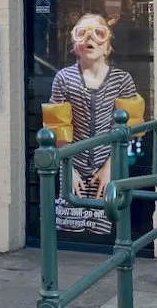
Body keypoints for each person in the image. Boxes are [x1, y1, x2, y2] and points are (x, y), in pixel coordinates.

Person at [49, 13, 138, 202]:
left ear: (107, 46)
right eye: (82, 33)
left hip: (110, 164)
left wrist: (109, 168)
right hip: (72, 165)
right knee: (70, 223)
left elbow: (128, 131)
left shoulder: (122, 80)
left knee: (110, 221)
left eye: (99, 33)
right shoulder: (63, 78)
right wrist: (68, 169)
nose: (91, 39)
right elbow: (57, 128)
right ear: (75, 45)